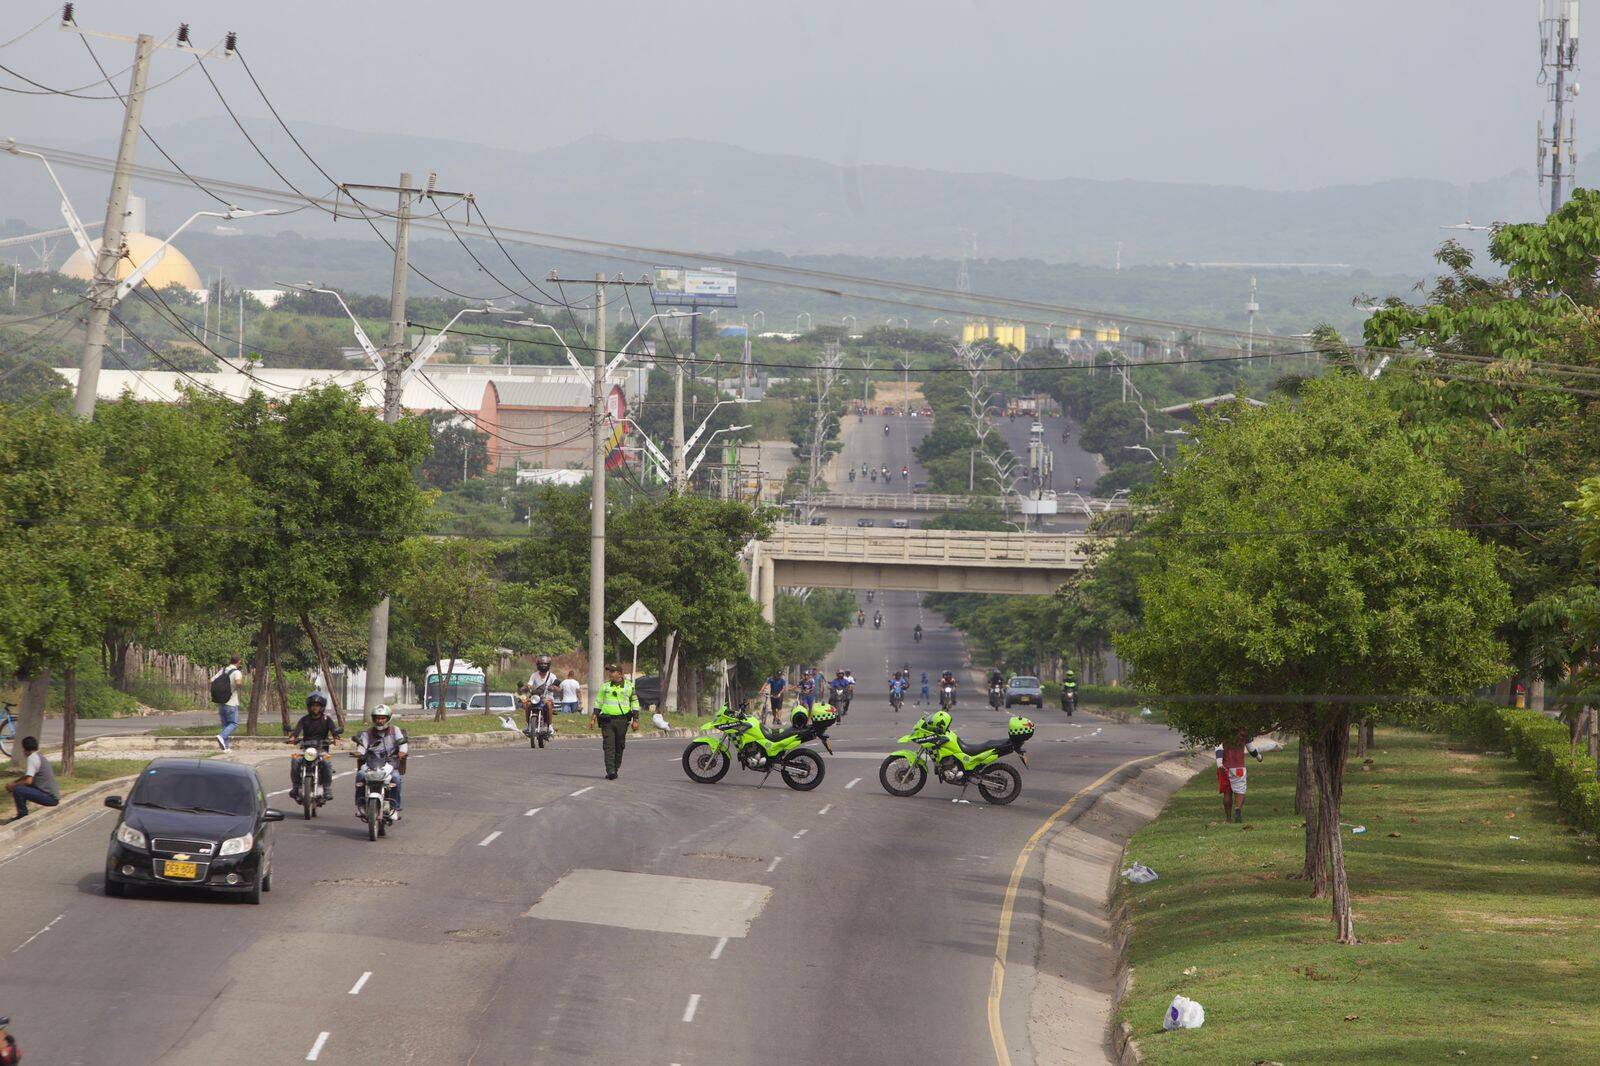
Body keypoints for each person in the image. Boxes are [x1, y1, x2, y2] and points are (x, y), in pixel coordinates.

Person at [286, 692, 341, 803]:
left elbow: (334, 731)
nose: (315, 707)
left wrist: (336, 738)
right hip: (307, 749)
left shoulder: (327, 719)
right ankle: (296, 787)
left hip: (321, 749)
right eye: (313, 705)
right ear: (309, 706)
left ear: (322, 707)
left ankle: (327, 789)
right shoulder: (304, 719)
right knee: (295, 759)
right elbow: (296, 731)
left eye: (317, 705)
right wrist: (293, 738)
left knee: (327, 762)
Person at [355, 705, 408, 814]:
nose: (380, 721)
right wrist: (358, 753)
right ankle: (360, 805)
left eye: (382, 718)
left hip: (390, 763)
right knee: (360, 775)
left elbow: (403, 743)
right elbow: (362, 747)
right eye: (377, 718)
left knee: (396, 778)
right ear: (373, 719)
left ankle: (394, 807)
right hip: (371, 763)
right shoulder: (368, 733)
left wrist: (402, 752)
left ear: (388, 718)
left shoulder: (395, 730)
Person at [591, 664, 640, 780]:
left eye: (613, 672)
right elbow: (598, 702)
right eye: (610, 671)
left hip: (622, 721)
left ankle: (615, 768)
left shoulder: (629, 687)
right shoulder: (605, 686)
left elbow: (635, 703)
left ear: (619, 674)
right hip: (607, 721)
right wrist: (593, 718)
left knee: (619, 746)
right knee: (608, 746)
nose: (610, 674)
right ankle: (610, 770)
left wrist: (635, 720)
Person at [5, 736, 59, 822]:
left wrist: (13, 785)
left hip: (50, 798)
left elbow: (28, 781)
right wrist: (15, 782)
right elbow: (27, 776)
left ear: (24, 749)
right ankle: (23, 812)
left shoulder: (32, 758)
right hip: (52, 795)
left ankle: (22, 815)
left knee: (18, 789)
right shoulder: (38, 756)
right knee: (19, 787)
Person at [1216, 729, 1264, 823]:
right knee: (1240, 791)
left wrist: (1219, 764)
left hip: (1225, 767)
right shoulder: (1243, 732)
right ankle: (1238, 808)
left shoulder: (1222, 730)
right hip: (1239, 768)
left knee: (1227, 792)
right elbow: (1252, 749)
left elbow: (1219, 748)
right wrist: (1259, 757)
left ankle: (1228, 819)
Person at [211, 654, 243, 752]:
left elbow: (211, 680)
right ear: (239, 662)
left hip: (222, 702)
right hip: (231, 702)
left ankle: (226, 747)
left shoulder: (223, 670)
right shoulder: (237, 672)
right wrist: (239, 686)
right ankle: (221, 736)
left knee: (225, 725)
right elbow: (238, 683)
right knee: (233, 723)